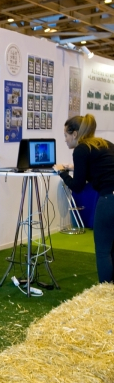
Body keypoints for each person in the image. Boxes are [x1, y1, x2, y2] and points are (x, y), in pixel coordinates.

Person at [54, 114, 114, 283]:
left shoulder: (81, 149)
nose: (65, 140)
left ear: (75, 134)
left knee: (103, 250)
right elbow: (101, 166)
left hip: (109, 198)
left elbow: (78, 186)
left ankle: (104, 292)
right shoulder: (103, 143)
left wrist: (62, 173)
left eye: (66, 135)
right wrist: (74, 167)